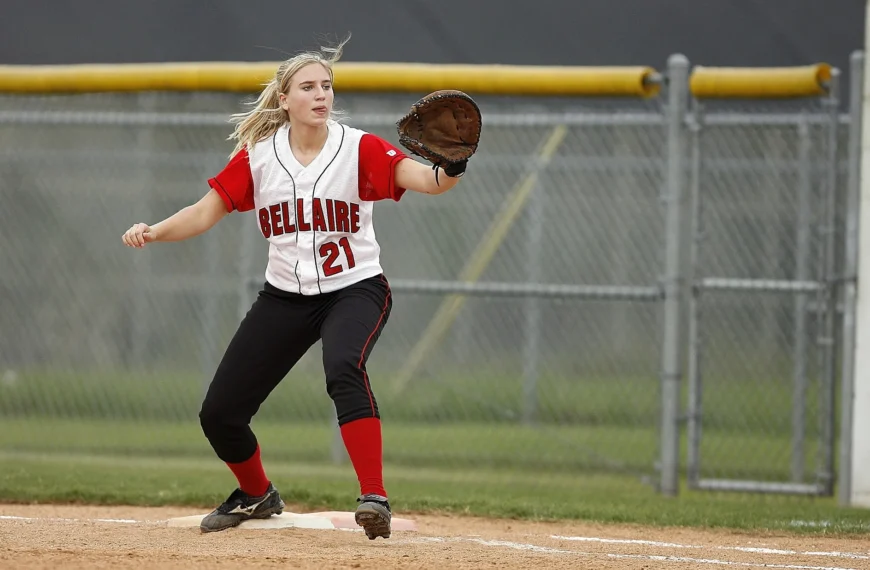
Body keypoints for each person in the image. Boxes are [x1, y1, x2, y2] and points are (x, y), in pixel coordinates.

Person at [121, 37, 468, 539]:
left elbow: (428, 180)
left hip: (355, 289)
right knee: (220, 413)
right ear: (284, 100)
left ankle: (374, 495)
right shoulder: (260, 158)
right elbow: (202, 214)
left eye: (326, 85)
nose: (320, 94)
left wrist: (452, 166)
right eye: (307, 87)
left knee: (343, 365)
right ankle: (256, 494)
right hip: (284, 297)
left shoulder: (358, 148)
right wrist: (154, 230)